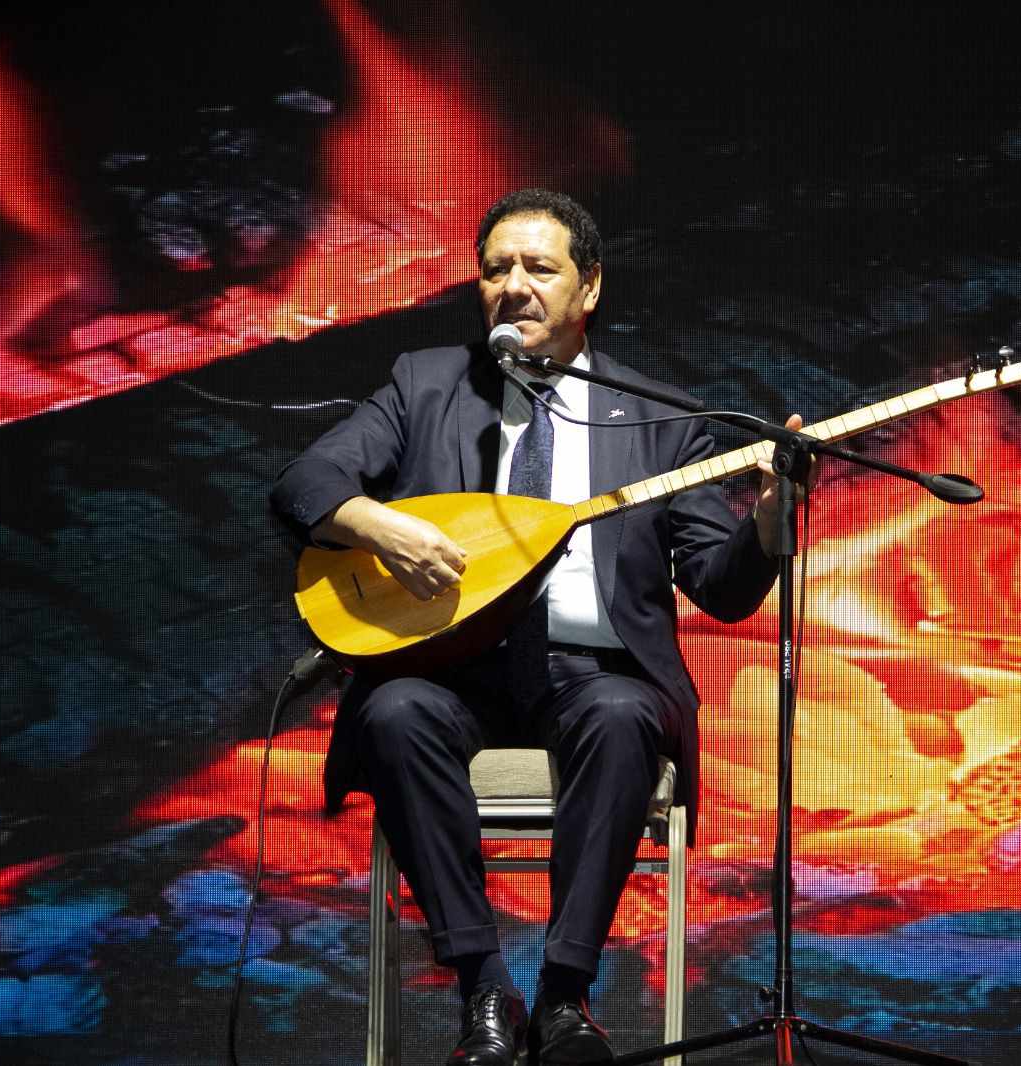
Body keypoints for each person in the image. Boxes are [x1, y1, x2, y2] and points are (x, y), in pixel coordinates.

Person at [270, 188, 807, 1066]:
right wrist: (379, 527)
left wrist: (771, 522)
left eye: (539, 268)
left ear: (589, 287)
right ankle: (484, 986)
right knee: (393, 712)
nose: (514, 285)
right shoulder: (426, 385)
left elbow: (722, 587)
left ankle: (565, 994)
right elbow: (304, 482)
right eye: (496, 269)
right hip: (452, 670)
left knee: (624, 714)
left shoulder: (659, 416)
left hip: (591, 675)